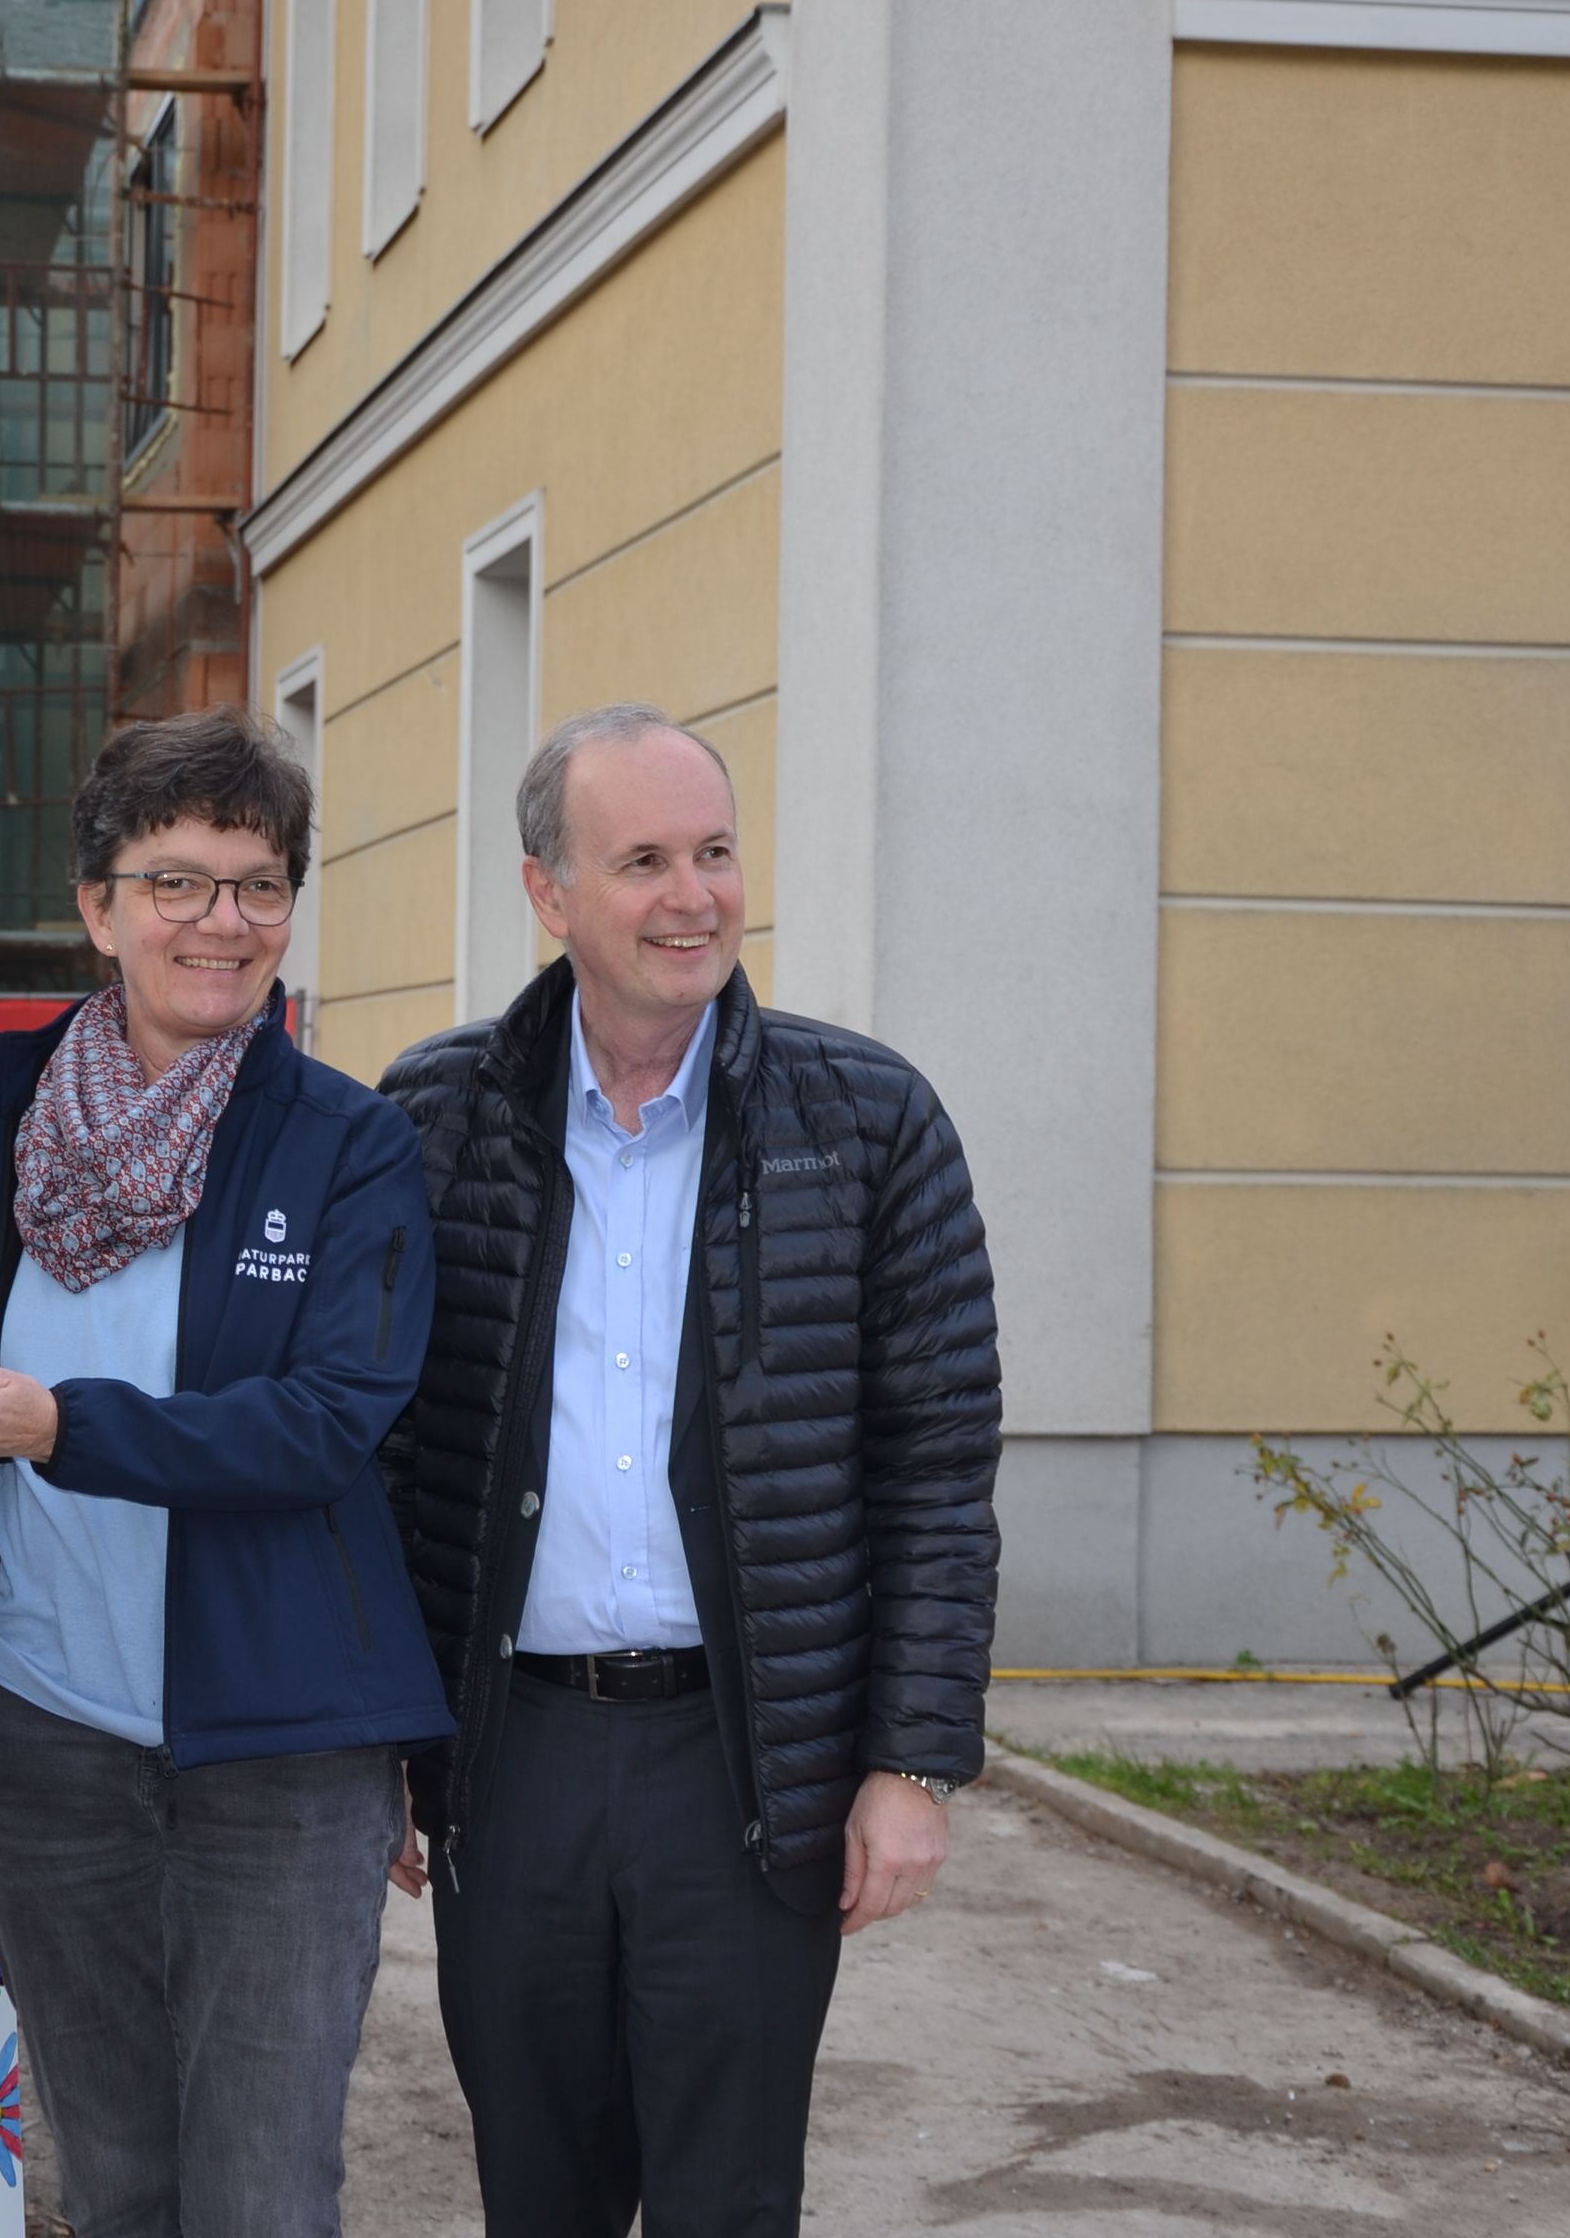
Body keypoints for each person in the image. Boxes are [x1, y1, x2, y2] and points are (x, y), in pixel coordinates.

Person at [0, 711, 450, 2238]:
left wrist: (59, 1426)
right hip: (45, 1735)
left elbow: (326, 1425)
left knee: (261, 2191)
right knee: (113, 2180)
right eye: (178, 882)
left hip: (283, 1755)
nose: (223, 922)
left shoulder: (350, 1145)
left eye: (258, 884)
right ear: (98, 906)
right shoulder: (0, 1127)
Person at [378, 702, 1002, 2238]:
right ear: (550, 892)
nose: (693, 896)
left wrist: (911, 1765)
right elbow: (383, 1455)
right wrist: (378, 1743)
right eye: (644, 858)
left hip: (746, 1762)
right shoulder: (433, 1120)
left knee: (730, 2197)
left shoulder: (869, 1123)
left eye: (715, 854)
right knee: (540, 2190)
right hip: (507, 1756)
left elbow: (939, 1464)